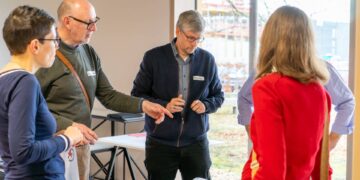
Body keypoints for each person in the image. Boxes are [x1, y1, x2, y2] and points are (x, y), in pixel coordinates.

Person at [35, 0, 172, 179]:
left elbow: (108, 96)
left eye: (95, 21)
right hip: (52, 146)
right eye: (88, 23)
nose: (94, 28)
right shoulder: (44, 56)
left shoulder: (89, 53)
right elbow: (33, 109)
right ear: (67, 21)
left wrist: (145, 105)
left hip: (80, 146)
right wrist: (69, 126)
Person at [131, 10, 224, 180]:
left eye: (199, 39)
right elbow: (137, 95)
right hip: (160, 143)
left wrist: (206, 105)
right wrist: (164, 105)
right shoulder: (153, 58)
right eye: (190, 38)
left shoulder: (207, 60)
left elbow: (218, 96)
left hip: (196, 143)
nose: (194, 44)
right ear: (178, 31)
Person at [241, 6, 331, 179]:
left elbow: (272, 172)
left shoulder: (268, 87)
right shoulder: (320, 92)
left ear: (271, 40)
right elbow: (322, 165)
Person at [0, 5, 83, 179]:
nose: (57, 47)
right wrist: (67, 139)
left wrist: (53, 138)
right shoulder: (25, 82)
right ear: (36, 46)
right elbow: (23, 152)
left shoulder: (5, 79)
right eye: (54, 40)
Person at [238, 61, 354, 150]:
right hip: (273, 149)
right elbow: (244, 98)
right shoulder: (266, 68)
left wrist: (332, 140)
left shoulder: (320, 68)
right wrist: (254, 135)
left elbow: (347, 101)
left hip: (311, 150)